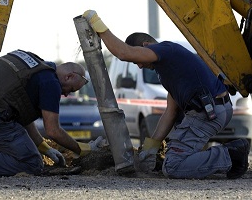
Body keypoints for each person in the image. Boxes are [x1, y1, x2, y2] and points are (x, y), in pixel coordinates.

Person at [81, 10, 250, 179]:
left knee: (173, 166)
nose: (139, 66)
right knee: (180, 160)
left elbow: (123, 52)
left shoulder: (165, 49)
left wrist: (96, 23)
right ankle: (226, 158)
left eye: (137, 60)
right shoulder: (169, 69)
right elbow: (171, 112)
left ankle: (230, 154)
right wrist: (151, 146)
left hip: (208, 112)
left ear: (146, 46)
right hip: (214, 109)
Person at [0, 49, 104, 177]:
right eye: (71, 90)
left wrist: (44, 148)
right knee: (32, 164)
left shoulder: (36, 68)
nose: (65, 95)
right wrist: (82, 149)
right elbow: (53, 130)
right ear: (69, 76)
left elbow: (24, 116)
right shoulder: (51, 83)